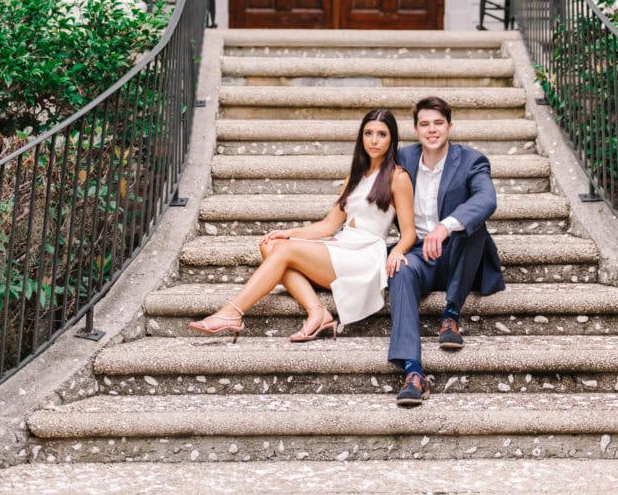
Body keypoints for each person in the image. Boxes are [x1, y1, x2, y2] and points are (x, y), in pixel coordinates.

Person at [189, 108, 415, 340]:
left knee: (282, 251)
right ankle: (317, 312)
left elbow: (409, 233)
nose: (374, 140)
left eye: (381, 134)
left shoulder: (398, 177)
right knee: (271, 245)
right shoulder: (354, 177)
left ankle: (232, 312)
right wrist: (289, 233)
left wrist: (397, 251)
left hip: (365, 255)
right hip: (344, 246)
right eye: (368, 133)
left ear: (392, 138)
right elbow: (328, 225)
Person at [387, 95, 504, 406]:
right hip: (420, 257)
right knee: (399, 267)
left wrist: (446, 226)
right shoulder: (402, 160)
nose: (432, 130)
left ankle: (451, 314)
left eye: (438, 123)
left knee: (472, 225)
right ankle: (413, 372)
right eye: (425, 124)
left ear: (450, 126)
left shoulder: (471, 160)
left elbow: (486, 199)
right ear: (415, 129)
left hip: (458, 255)